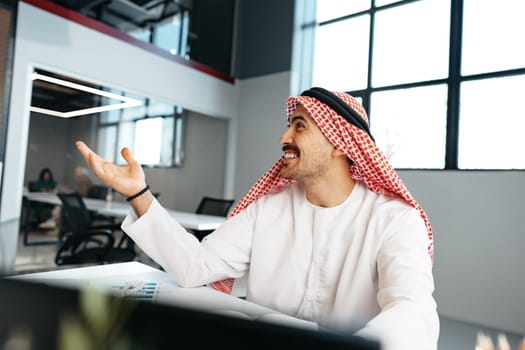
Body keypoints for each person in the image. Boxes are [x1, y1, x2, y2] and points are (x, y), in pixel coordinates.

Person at [76, 87, 439, 350]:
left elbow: (413, 310)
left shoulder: (394, 220)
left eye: (299, 126)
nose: (284, 137)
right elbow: (196, 265)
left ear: (341, 143)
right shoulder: (269, 208)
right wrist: (139, 194)